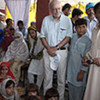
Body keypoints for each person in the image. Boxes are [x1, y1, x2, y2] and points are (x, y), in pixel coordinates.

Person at [40, 0, 72, 100]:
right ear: (50, 10)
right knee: (47, 78)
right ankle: (47, 98)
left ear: (61, 8)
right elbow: (42, 36)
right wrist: (49, 49)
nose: (56, 11)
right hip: (48, 51)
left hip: (61, 52)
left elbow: (68, 37)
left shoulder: (67, 20)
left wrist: (56, 48)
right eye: (54, 9)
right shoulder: (46, 20)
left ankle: (60, 98)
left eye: (58, 9)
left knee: (61, 79)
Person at [67, 18, 91, 100]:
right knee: (70, 93)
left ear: (86, 27)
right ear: (75, 28)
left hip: (79, 71)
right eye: (79, 27)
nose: (81, 29)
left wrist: (82, 72)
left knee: (78, 94)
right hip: (70, 69)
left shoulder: (88, 41)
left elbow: (87, 58)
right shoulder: (73, 37)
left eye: (83, 27)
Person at [82, 2, 100, 100]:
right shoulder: (95, 29)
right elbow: (94, 48)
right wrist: (87, 56)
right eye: (98, 12)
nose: (97, 15)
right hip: (94, 70)